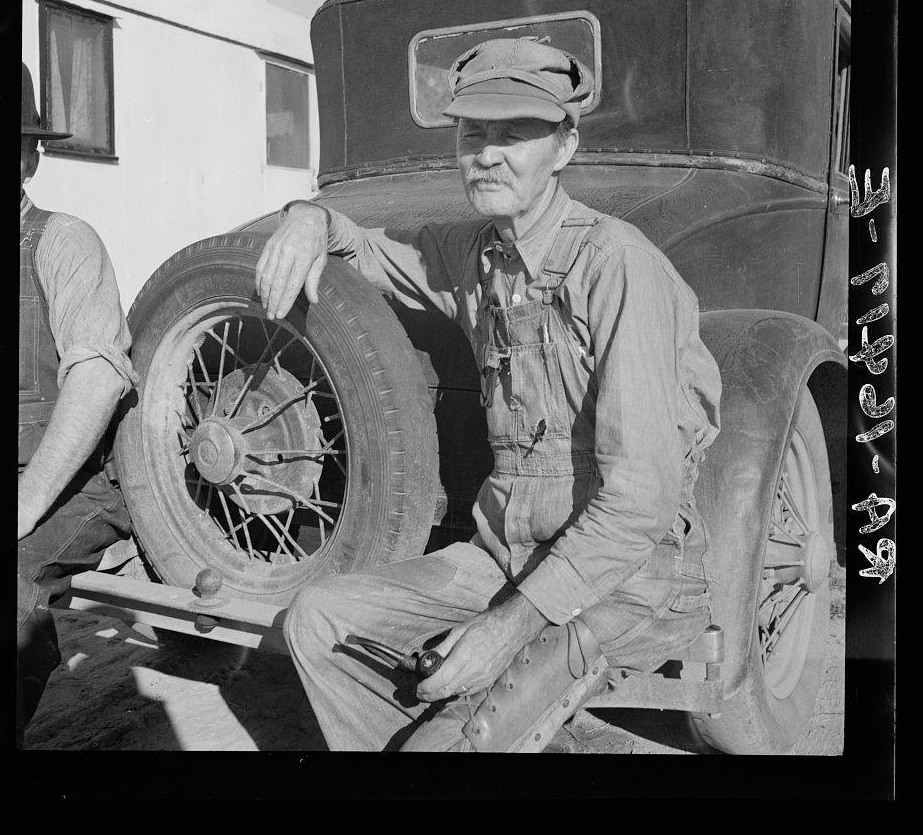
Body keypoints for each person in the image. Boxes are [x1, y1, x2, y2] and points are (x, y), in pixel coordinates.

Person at [255, 38, 722, 752]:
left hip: (627, 575)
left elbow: (639, 504)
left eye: (515, 134)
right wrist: (306, 217)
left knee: (458, 734)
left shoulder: (617, 265)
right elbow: (366, 248)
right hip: (508, 554)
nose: (488, 155)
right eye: (473, 134)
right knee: (318, 619)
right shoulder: (477, 255)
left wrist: (504, 629)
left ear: (565, 147)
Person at [16, 63, 137, 744]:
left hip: (74, 480)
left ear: (29, 158)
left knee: (7, 580)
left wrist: (24, 503)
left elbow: (97, 380)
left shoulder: (62, 241)